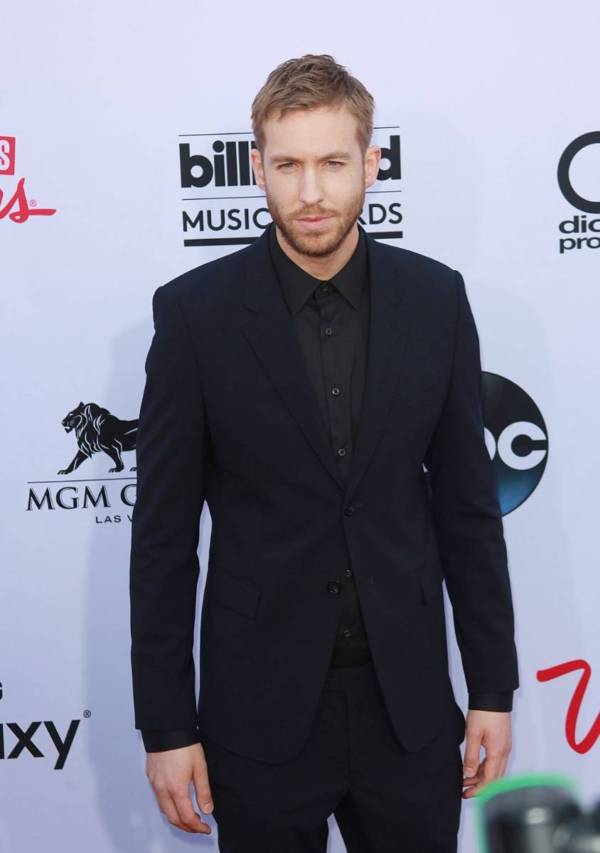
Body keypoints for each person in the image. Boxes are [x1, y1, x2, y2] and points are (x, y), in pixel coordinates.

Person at [129, 53, 519, 853]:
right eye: (290, 165)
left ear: (373, 164)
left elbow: (468, 510)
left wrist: (492, 687)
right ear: (256, 167)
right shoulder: (195, 317)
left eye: (334, 163)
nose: (312, 192)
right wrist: (166, 725)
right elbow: (163, 542)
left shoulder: (435, 299)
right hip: (257, 714)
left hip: (406, 712)